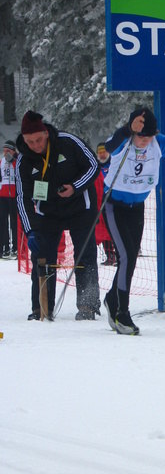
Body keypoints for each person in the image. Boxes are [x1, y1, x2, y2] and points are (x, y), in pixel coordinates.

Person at [102, 107, 165, 335]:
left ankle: (112, 299)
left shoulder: (157, 142)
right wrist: (128, 130)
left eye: (149, 136)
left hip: (137, 207)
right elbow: (110, 147)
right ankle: (122, 313)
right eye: (141, 136)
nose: (145, 140)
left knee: (130, 258)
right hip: (114, 206)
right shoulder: (124, 140)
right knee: (126, 257)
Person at [16, 110, 101, 321]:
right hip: (47, 213)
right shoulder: (24, 160)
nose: (35, 145)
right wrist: (30, 231)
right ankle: (42, 308)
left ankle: (88, 305)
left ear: (46, 133)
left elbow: (93, 165)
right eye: (30, 142)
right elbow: (22, 198)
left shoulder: (68, 142)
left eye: (38, 140)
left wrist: (75, 186)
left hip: (80, 207)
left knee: (85, 256)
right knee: (42, 257)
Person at [94, 142, 116, 265]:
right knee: (102, 230)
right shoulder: (95, 167)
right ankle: (110, 255)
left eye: (104, 152)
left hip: (114, 201)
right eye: (100, 152)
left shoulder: (114, 164)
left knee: (117, 228)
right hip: (99, 202)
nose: (102, 155)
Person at [0, 140, 18, 258]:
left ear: (13, 151)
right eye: (4, 151)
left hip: (14, 196)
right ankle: (4, 247)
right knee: (3, 223)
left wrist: (13, 160)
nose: (6, 153)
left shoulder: (17, 161)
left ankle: (16, 247)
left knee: (14, 223)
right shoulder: (1, 162)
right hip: (2, 196)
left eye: (8, 151)